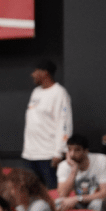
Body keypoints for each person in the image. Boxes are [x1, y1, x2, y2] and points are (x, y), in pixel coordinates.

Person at [22, 60, 73, 189]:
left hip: (49, 155)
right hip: (30, 154)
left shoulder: (60, 93)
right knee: (32, 192)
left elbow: (65, 124)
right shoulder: (36, 92)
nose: (32, 75)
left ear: (44, 73)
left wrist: (59, 152)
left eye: (35, 71)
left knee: (52, 192)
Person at [56, 134, 106, 211]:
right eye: (69, 150)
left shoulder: (102, 160)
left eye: (77, 150)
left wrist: (78, 199)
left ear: (86, 151)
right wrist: (74, 171)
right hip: (75, 202)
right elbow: (62, 194)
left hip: (94, 200)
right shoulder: (64, 166)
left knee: (97, 204)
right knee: (57, 204)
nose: (72, 154)